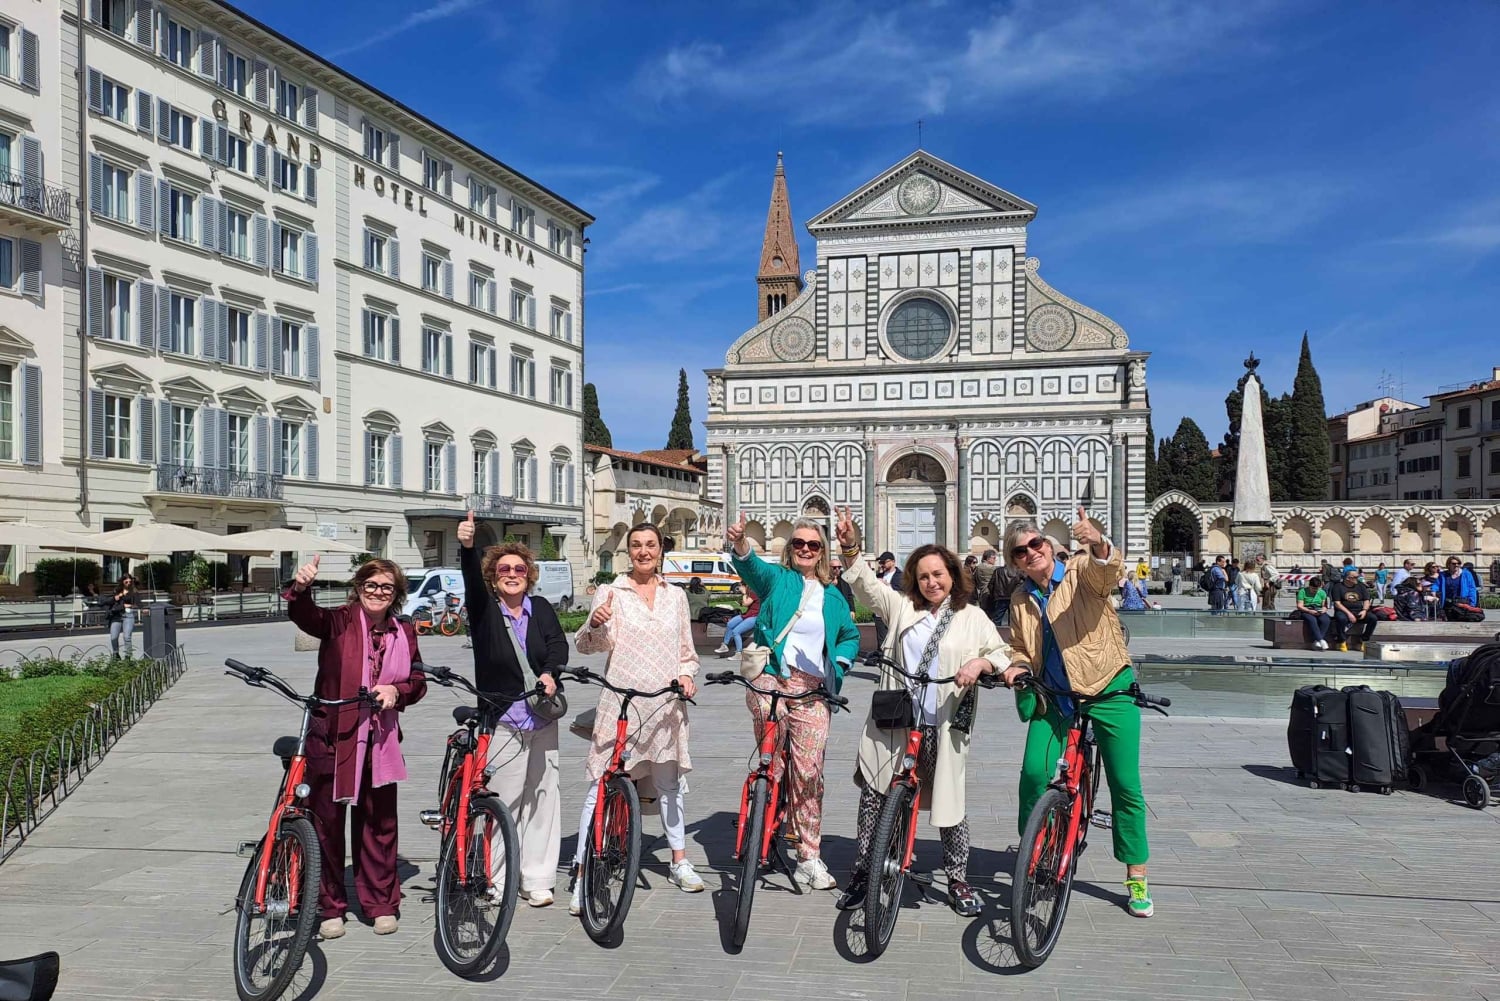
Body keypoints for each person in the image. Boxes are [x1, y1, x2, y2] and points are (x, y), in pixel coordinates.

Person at [832, 508, 1006, 917]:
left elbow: (998, 652)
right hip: (895, 719)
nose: (931, 582)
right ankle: (863, 871)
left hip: (943, 722)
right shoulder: (901, 607)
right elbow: (867, 588)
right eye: (924, 575)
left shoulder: (972, 617)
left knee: (949, 803)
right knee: (875, 797)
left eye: (938, 574)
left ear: (952, 575)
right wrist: (850, 547)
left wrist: (980, 665)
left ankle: (958, 879)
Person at [995, 508, 1154, 918]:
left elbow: (1109, 569)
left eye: (1036, 544)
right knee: (1033, 773)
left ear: (1049, 546)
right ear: (1014, 561)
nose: (1031, 553)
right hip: (1054, 697)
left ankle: (1136, 872)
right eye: (1020, 551)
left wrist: (1097, 541)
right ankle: (1036, 849)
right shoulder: (1020, 598)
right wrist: (1017, 666)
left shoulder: (1082, 571)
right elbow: (1020, 646)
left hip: (1106, 688)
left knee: (1125, 785)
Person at [284, 555, 427, 940]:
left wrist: (397, 691)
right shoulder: (340, 620)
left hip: (380, 740)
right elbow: (306, 617)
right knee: (326, 824)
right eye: (371, 585)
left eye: (386, 587)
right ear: (358, 588)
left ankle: (380, 903)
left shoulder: (403, 631)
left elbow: (418, 679)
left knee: (379, 824)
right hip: (334, 736)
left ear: (396, 594)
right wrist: (300, 589)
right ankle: (330, 906)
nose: (378, 593)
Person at [728, 513, 860, 893]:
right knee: (773, 724)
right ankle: (768, 787)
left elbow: (850, 635)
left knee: (809, 772)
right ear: (790, 550)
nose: (805, 549)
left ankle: (808, 856)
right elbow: (751, 567)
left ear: (821, 553)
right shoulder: (779, 580)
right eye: (799, 543)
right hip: (771, 673)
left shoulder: (833, 597)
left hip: (813, 687)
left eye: (813, 544)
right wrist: (740, 543)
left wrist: (842, 662)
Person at [573, 523, 703, 911]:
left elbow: (687, 653)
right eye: (636, 545)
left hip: (664, 704)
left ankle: (679, 861)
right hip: (621, 701)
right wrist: (594, 623)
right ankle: (582, 871)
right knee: (601, 785)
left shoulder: (675, 596)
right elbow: (585, 646)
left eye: (650, 544)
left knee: (669, 784)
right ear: (628, 551)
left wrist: (686, 676)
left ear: (661, 548)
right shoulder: (611, 591)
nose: (643, 551)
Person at [457, 511, 567, 908]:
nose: (512, 573)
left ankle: (537, 878)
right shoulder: (485, 609)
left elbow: (557, 645)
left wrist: (551, 673)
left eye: (519, 568)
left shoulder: (541, 609)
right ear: (493, 575)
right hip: (504, 718)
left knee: (542, 798)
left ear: (529, 574)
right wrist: (468, 548)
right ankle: (497, 878)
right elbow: (470, 580)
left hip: (541, 717)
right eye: (503, 568)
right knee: (504, 801)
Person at [1329, 565, 1376, 652]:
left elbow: (1366, 600)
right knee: (1341, 618)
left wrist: (1364, 610)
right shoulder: (1338, 587)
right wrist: (1349, 614)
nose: (1357, 579)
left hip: (1359, 610)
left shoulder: (1361, 586)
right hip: (1344, 611)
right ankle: (1342, 641)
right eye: (1355, 577)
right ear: (1348, 578)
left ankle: (1364, 639)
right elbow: (1337, 603)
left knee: (1373, 618)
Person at [714, 585, 760, 657]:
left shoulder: (754, 592)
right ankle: (725, 645)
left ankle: (739, 653)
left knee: (736, 631)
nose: (740, 587)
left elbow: (746, 603)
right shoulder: (750, 592)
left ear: (746, 585)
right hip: (747, 614)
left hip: (754, 616)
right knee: (730, 624)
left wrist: (744, 593)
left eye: (741, 585)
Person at [1294, 577, 1333, 650]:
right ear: (1309, 586)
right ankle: (1321, 640)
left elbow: (1325, 606)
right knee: (1312, 620)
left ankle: (1317, 640)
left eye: (1317, 589)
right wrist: (1309, 611)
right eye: (1313, 589)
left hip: (1318, 609)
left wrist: (1323, 611)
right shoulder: (1302, 591)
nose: (1315, 591)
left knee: (1326, 620)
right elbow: (1299, 606)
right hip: (1307, 609)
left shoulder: (1322, 592)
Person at [106, 574, 139, 659]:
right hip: (116, 615)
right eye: (126, 581)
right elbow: (112, 601)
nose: (128, 583)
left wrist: (128, 605)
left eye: (130, 581)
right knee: (113, 637)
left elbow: (137, 604)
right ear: (122, 581)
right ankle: (116, 654)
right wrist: (120, 601)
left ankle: (128, 656)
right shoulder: (117, 590)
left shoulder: (134, 591)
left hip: (128, 615)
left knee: (127, 637)